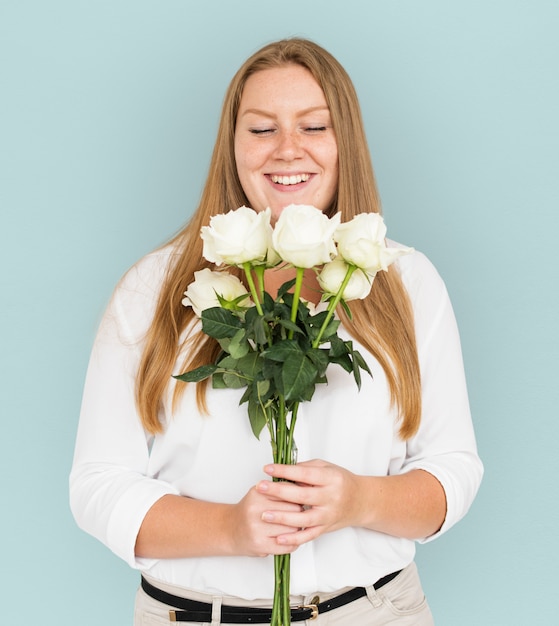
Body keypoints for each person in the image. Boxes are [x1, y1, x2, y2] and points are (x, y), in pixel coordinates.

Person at [70, 38, 483, 625]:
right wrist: (231, 529)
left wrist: (361, 499)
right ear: (231, 147)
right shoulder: (152, 289)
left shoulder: (407, 281)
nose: (288, 150)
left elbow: (452, 470)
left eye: (315, 126)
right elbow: (97, 484)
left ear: (347, 144)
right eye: (262, 130)